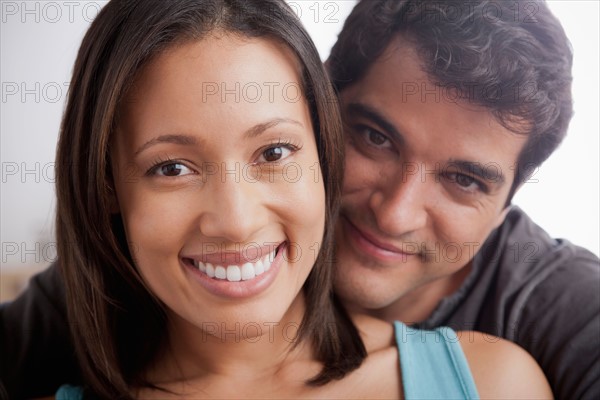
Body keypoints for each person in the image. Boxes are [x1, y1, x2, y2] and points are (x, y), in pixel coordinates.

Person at [0, 0, 554, 399]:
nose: (236, 222)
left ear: (322, 156)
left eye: (273, 152)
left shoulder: (496, 381)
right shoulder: (43, 334)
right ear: (105, 189)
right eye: (171, 167)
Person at [326, 0, 600, 399]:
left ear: (505, 205)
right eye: (375, 138)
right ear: (318, 95)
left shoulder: (571, 310)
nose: (394, 216)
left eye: (463, 181)